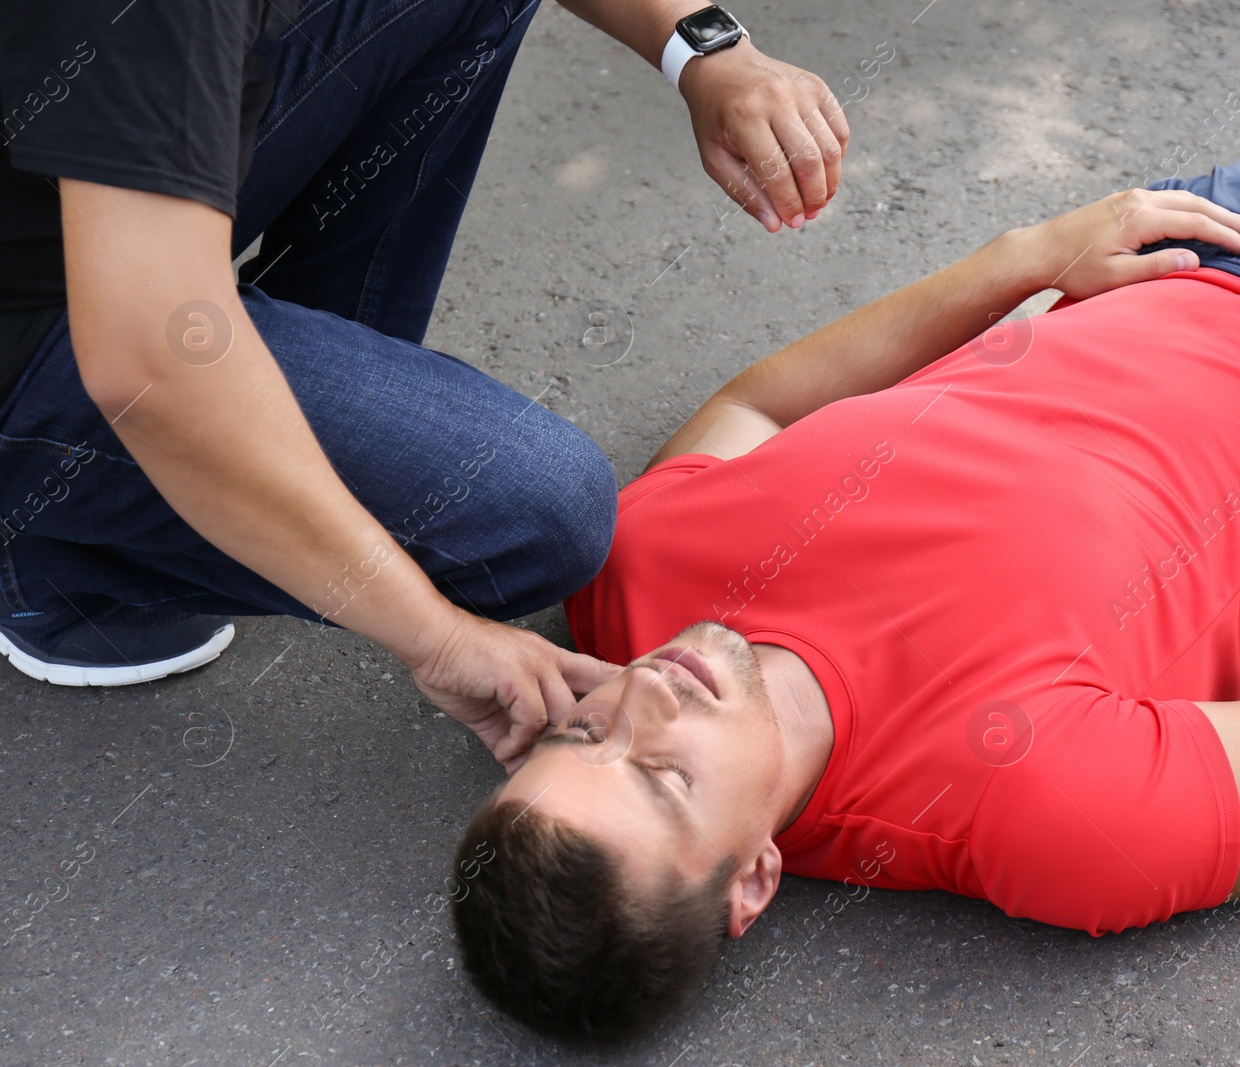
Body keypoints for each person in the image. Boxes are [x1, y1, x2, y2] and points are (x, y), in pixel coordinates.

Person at [450, 10, 1240, 1045]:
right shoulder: (1034, 809)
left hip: (1203, 246)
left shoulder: (630, 585)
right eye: (660, 779)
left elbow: (750, 407)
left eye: (580, 737)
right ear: (749, 880)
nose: (642, 697)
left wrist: (1031, 256)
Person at [0, 2, 847, 768]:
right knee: (540, 513)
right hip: (49, 314)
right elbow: (151, 354)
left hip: (74, 196)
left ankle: (275, 423)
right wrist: (439, 641)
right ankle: (60, 571)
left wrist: (704, 49)